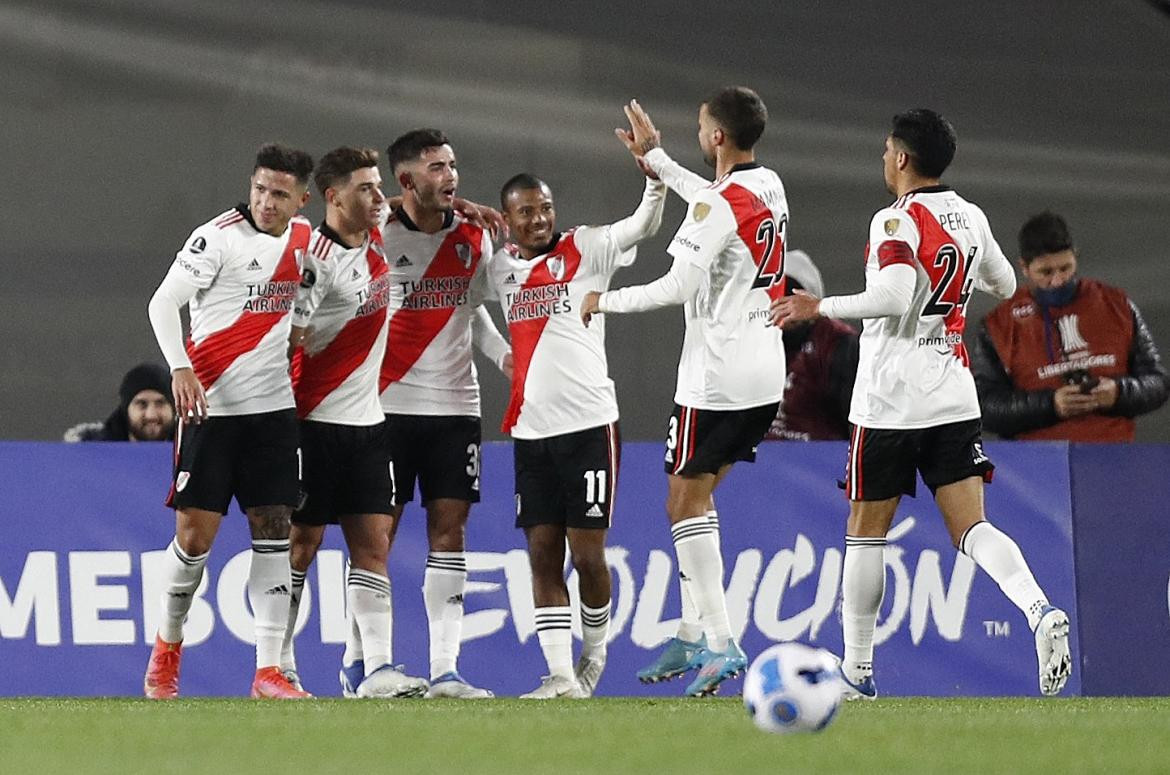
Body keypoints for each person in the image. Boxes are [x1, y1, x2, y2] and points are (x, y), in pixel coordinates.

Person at [770, 109, 1072, 698]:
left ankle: (857, 671)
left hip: (890, 399)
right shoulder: (970, 215)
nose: (884, 160)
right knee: (972, 526)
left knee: (865, 531)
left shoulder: (895, 221)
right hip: (953, 395)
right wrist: (952, 290)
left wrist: (819, 306)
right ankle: (1038, 611)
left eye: (887, 151)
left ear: (903, 157)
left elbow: (893, 294)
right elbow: (1006, 285)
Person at [581, 88, 788, 697]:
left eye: (700, 126)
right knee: (695, 501)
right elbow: (716, 201)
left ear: (717, 137)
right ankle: (694, 627)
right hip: (763, 372)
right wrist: (659, 162)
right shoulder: (768, 185)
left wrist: (605, 300)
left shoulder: (718, 204)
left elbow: (675, 285)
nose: (698, 133)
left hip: (715, 378)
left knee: (681, 506)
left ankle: (719, 641)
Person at [486, 162, 666, 698]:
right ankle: (559, 676)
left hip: (589, 427)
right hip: (531, 433)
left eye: (545, 209)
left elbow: (642, 225)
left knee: (587, 556)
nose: (539, 220)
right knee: (542, 552)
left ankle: (596, 649)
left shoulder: (586, 248)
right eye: (526, 212)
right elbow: (470, 313)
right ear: (508, 219)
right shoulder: (498, 269)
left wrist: (654, 178)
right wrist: (501, 357)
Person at [143, 143, 315, 699]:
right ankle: (167, 648)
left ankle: (268, 671)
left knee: (273, 533)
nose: (266, 202)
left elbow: (364, 214)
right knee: (194, 543)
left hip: (273, 414)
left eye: (279, 193)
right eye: (260, 189)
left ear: (301, 199)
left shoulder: (303, 238)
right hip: (211, 412)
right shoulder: (214, 238)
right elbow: (162, 304)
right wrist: (180, 366)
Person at [277, 146, 428, 698]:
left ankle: (377, 670)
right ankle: (281, 663)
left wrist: (476, 209)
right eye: (364, 189)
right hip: (313, 425)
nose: (377, 197)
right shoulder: (314, 264)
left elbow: (405, 201)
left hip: (368, 425)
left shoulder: (375, 230)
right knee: (301, 545)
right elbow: (285, 343)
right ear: (332, 197)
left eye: (376, 187)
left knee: (373, 547)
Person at [375, 128, 509, 699]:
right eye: (435, 168)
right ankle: (370, 663)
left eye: (452, 164)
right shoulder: (375, 233)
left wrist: (506, 356)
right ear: (405, 180)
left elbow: (473, 307)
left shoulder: (476, 235)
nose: (450, 176)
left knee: (450, 531)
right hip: (385, 405)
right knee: (374, 536)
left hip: (456, 406)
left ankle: (446, 671)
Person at [971, 211, 1168, 441]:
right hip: (1034, 465)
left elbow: (1157, 383)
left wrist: (1118, 393)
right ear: (1024, 267)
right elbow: (983, 408)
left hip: (1113, 456)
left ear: (1075, 256)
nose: (1057, 280)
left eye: (1065, 268)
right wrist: (1050, 404)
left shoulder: (1118, 306)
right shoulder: (998, 325)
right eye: (1045, 272)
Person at [764, 250, 859, 441]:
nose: (781, 306)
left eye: (790, 297)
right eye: (773, 297)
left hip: (819, 461)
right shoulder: (750, 341)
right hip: (758, 460)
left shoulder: (838, 346)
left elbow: (858, 425)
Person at [64, 363, 177, 442]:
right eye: (142, 404)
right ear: (125, 409)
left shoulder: (191, 456)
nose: (151, 415)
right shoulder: (89, 455)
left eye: (160, 404)